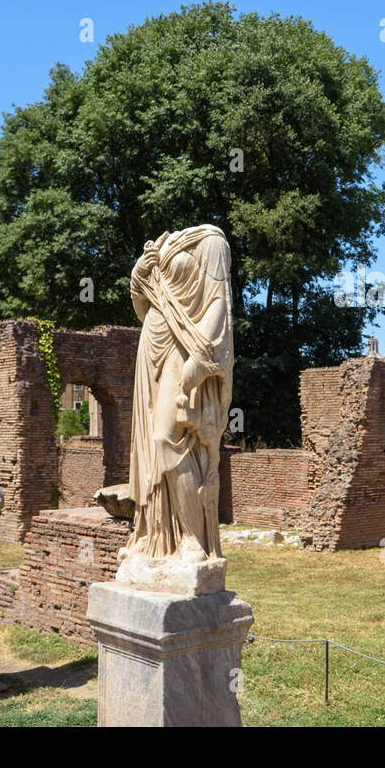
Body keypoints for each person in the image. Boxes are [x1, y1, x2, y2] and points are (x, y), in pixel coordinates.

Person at [123, 225, 233, 567]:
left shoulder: (211, 240)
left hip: (184, 345)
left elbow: (218, 303)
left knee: (166, 437)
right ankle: (154, 538)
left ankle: (192, 540)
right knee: (148, 445)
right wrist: (139, 274)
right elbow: (142, 307)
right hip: (151, 342)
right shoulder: (161, 243)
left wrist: (202, 359)